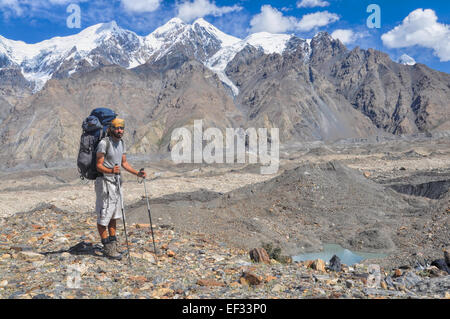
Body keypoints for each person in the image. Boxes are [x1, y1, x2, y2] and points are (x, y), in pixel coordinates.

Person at [95, 118, 146, 260]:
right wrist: (111, 171)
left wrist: (137, 173)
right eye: (117, 128)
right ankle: (107, 247)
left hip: (117, 183)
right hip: (105, 183)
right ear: (111, 128)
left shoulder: (121, 143)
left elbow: (124, 163)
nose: (120, 131)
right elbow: (98, 165)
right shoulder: (104, 143)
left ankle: (113, 243)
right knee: (104, 215)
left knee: (114, 215)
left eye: (122, 128)